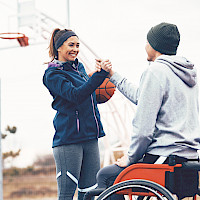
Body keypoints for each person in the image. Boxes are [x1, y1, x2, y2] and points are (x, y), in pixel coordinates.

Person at [95, 22, 200, 192]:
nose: (145, 46)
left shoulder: (156, 71)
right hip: (189, 159)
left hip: (164, 158)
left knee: (105, 176)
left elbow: (144, 129)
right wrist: (113, 76)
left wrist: (131, 157)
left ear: (155, 46)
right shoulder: (189, 73)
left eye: (147, 41)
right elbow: (141, 97)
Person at [43, 28, 112, 200]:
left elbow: (87, 90)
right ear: (59, 47)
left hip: (90, 137)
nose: (75, 49)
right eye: (71, 45)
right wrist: (100, 76)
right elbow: (76, 95)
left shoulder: (79, 67)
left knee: (90, 194)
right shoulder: (52, 74)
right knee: (66, 195)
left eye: (77, 45)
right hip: (69, 140)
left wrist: (96, 74)